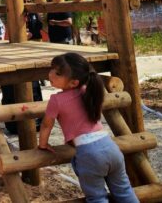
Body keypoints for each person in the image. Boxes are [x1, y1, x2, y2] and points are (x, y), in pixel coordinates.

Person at [38, 53, 138, 203]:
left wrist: (43, 144)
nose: (51, 74)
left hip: (90, 154)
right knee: (124, 191)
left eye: (57, 73)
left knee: (97, 197)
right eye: (52, 69)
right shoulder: (88, 91)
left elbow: (46, 124)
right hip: (111, 148)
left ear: (74, 82)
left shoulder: (56, 100)